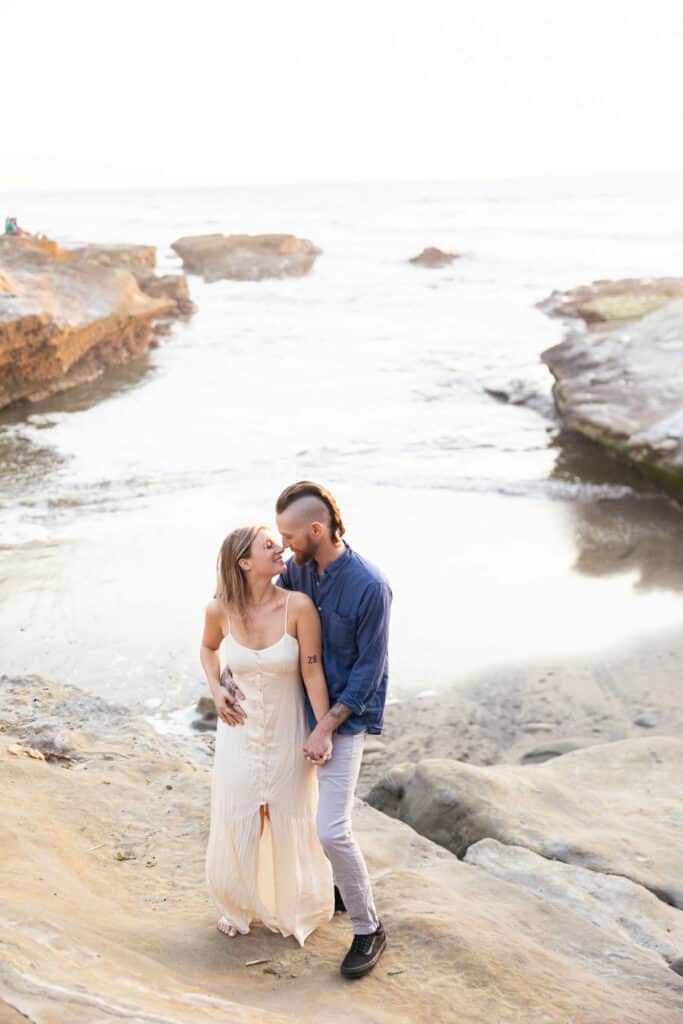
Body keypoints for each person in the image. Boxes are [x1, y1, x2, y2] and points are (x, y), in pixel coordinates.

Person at [276, 481, 392, 979]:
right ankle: (338, 889)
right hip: (293, 713)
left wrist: (325, 726)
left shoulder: (370, 585)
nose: (282, 544)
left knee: (331, 827)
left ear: (316, 530)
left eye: (288, 534)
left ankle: (369, 928)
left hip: (342, 720)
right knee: (295, 813)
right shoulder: (296, 570)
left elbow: (370, 671)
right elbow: (256, 606)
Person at [200, 524, 335, 945]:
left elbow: (312, 671)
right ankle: (236, 906)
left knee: (287, 814)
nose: (281, 549)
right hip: (238, 733)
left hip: (287, 729)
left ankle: (294, 904)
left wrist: (323, 730)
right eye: (269, 545)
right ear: (245, 563)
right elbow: (208, 649)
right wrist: (216, 687)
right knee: (241, 813)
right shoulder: (219, 609)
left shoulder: (299, 606)